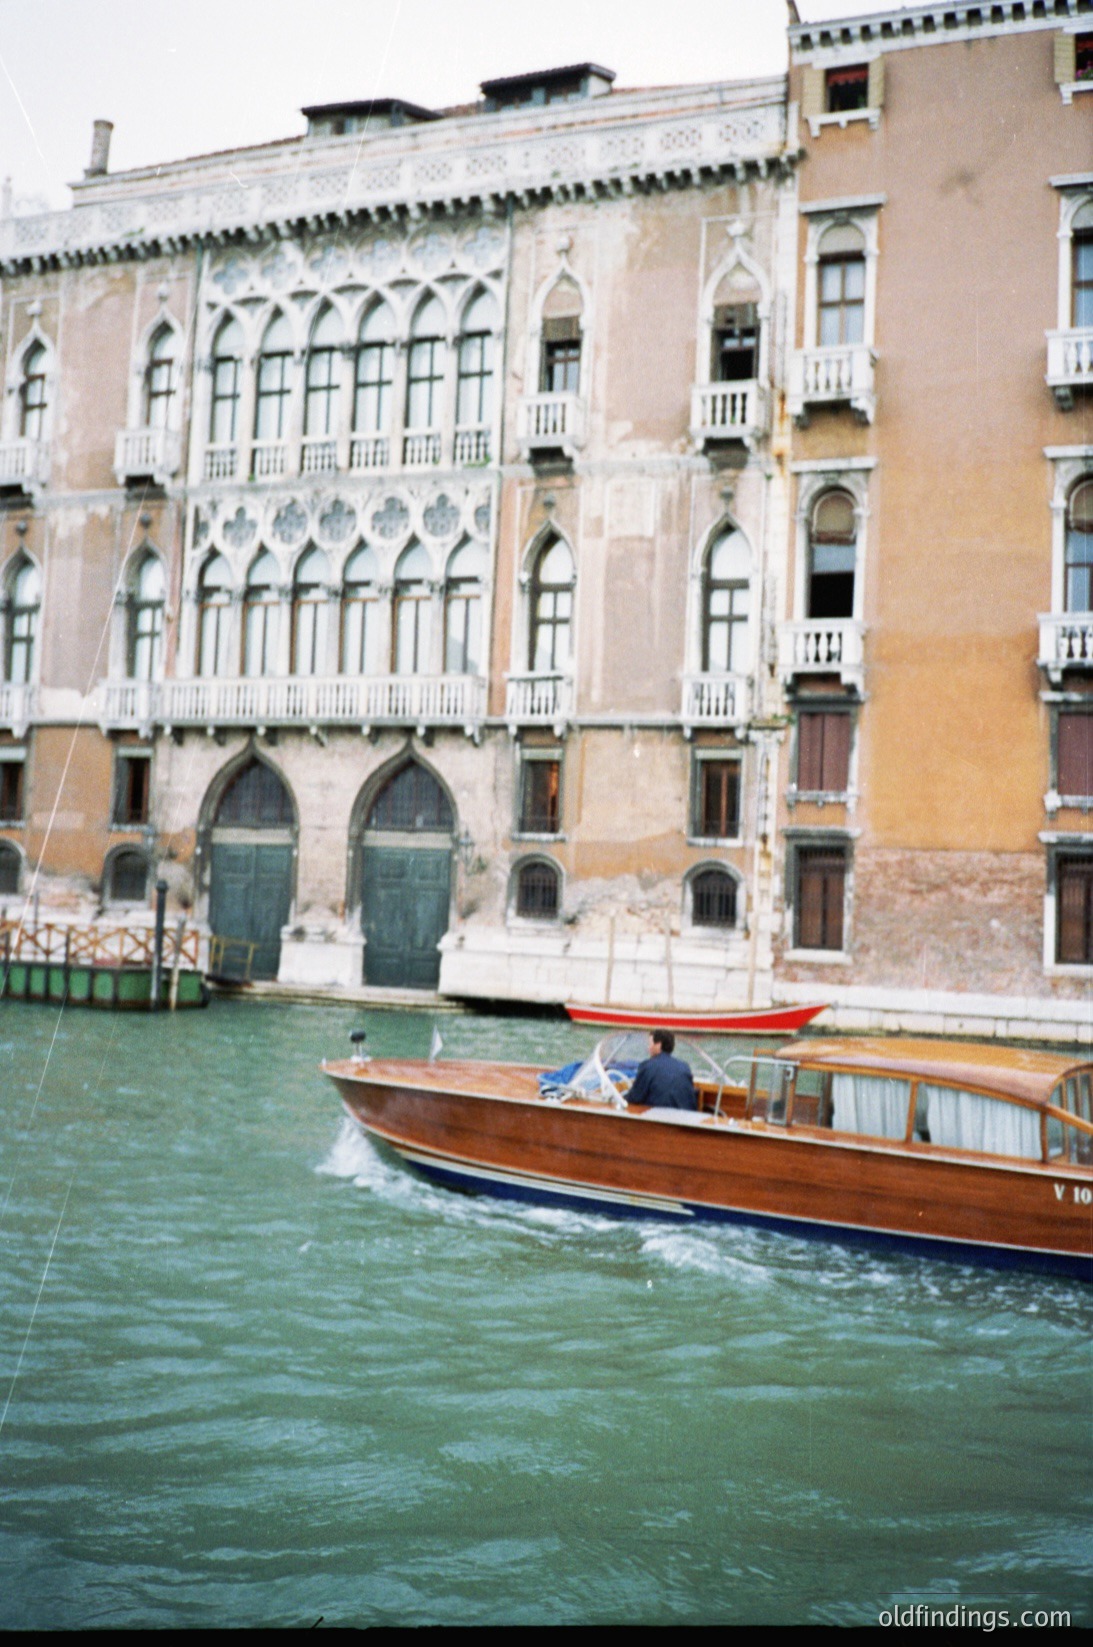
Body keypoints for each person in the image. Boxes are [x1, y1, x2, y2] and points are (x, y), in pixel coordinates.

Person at [624, 1028, 698, 1111]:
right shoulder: (685, 1067)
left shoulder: (647, 1066)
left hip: (657, 1119)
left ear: (658, 1045)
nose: (648, 1048)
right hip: (686, 1117)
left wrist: (621, 1097)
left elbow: (635, 1098)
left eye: (650, 1044)